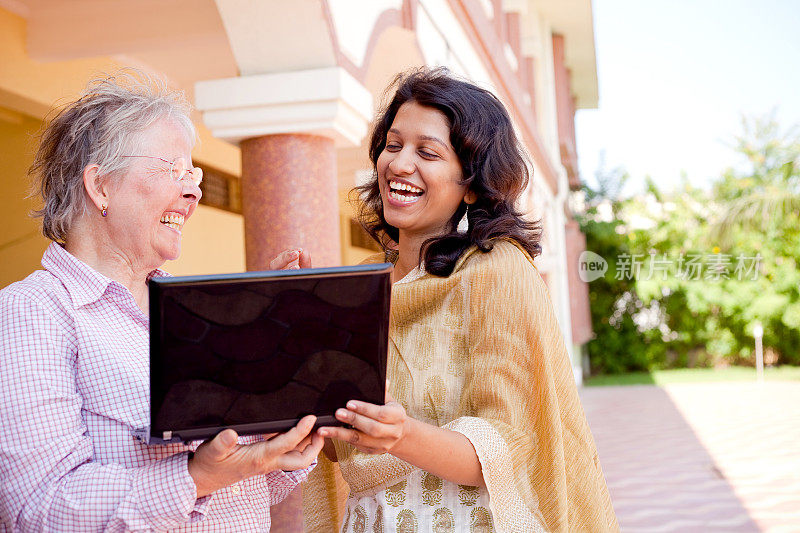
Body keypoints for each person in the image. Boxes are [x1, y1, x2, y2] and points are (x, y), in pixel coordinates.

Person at [0, 71, 323, 532]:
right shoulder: (30, 314)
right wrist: (195, 476)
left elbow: (249, 491)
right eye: (172, 169)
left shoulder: (200, 314)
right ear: (101, 187)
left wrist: (280, 407)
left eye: (193, 173)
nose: (192, 190)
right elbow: (38, 511)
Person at [302, 68, 619, 532]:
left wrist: (403, 434)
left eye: (427, 152)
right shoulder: (361, 289)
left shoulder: (495, 270)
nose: (400, 164)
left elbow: (505, 446)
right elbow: (339, 446)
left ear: (470, 183)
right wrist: (297, 318)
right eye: (392, 145)